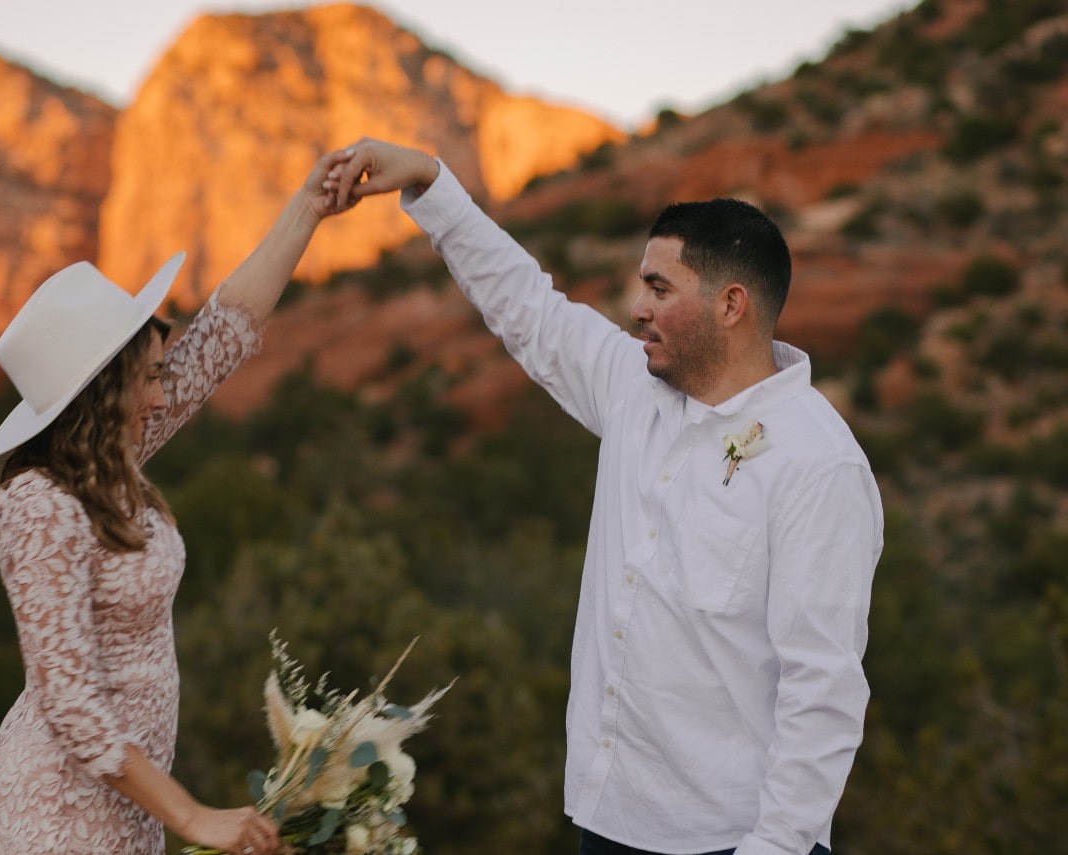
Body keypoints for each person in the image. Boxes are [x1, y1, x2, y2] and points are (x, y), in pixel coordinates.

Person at [324, 139, 883, 855]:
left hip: (737, 839)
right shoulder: (632, 390)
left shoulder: (818, 464)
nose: (635, 306)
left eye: (659, 287)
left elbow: (824, 690)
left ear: (731, 305)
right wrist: (432, 183)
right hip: (608, 819)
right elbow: (528, 308)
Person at [0, 148, 359, 854]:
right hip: (58, 808)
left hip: (129, 801)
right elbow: (68, 701)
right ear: (103, 392)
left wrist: (309, 208)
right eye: (148, 378)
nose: (162, 394)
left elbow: (224, 332)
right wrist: (191, 815)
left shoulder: (111, 461)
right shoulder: (39, 504)